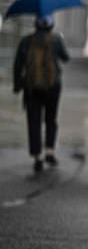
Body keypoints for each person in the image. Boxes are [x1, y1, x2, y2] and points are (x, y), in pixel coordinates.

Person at [13, 15, 70, 173]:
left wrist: (17, 84)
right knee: (51, 119)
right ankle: (50, 150)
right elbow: (66, 58)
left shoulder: (26, 41)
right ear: (51, 25)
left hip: (31, 87)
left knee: (34, 121)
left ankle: (37, 155)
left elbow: (18, 65)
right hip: (53, 86)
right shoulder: (56, 40)